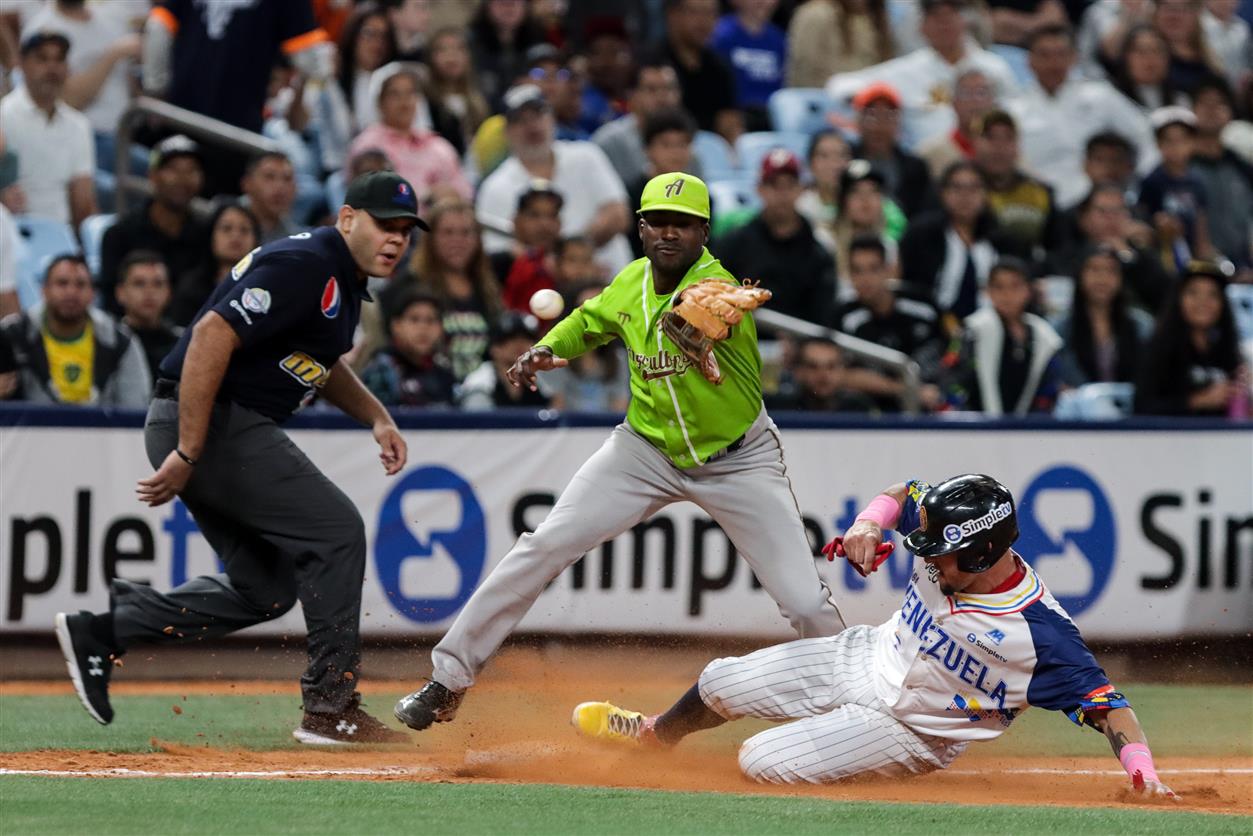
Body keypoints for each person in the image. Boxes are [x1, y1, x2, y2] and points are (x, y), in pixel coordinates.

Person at [392, 171, 847, 732]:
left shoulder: (716, 288)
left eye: (683, 224)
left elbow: (713, 314)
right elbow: (591, 321)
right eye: (658, 221)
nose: (669, 233)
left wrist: (713, 319)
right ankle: (448, 680)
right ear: (639, 228)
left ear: (705, 232)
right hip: (645, 449)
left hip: (738, 458)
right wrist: (548, 348)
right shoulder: (630, 283)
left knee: (805, 604)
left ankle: (854, 704)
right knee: (543, 545)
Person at [52, 171, 425, 744]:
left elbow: (317, 361)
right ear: (347, 218)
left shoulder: (339, 278)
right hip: (212, 420)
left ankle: (105, 630)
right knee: (337, 531)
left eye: (405, 230)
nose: (397, 240)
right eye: (385, 225)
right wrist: (188, 449)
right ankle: (330, 707)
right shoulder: (308, 264)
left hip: (212, 422)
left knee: (268, 587)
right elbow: (210, 336)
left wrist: (376, 415)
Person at [571, 473, 1179, 803]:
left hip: (910, 729)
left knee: (759, 761)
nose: (930, 558)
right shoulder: (949, 526)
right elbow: (901, 492)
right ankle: (654, 736)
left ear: (985, 550)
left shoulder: (1041, 636)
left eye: (942, 553)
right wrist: (868, 524)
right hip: (862, 656)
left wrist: (1143, 773)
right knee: (719, 679)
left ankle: (854, 777)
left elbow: (1110, 708)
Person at [143, 0, 333, 195]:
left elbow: (157, 29)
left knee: (174, 204)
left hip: (180, 118)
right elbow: (312, 60)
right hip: (237, 130)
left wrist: (156, 91)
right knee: (224, 213)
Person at [476, 83, 633, 275]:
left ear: (552, 119)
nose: (532, 126)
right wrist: (559, 266)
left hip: (614, 282)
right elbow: (497, 252)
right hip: (542, 295)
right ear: (507, 132)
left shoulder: (586, 155)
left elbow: (619, 215)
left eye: (538, 115)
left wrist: (575, 257)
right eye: (521, 120)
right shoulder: (495, 187)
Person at [826, 0, 1020, 150]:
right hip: (929, 164)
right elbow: (839, 85)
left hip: (987, 159)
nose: (944, 25)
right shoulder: (909, 70)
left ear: (963, 21)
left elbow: (1018, 116)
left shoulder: (994, 68)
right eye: (936, 18)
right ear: (922, 27)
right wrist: (858, 110)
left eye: (950, 16)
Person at [1005, 23, 1156, 210]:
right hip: (1038, 205)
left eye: (1061, 54)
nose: (1053, 63)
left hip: (1099, 205)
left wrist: (1139, 187)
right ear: (1029, 61)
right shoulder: (1013, 110)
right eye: (1044, 55)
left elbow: (1144, 135)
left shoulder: (1100, 95)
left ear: (1073, 58)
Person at [0, 254, 150, 407]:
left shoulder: (120, 342)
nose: (71, 292)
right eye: (62, 283)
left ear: (93, 293)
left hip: (102, 430)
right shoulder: (10, 336)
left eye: (80, 284)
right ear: (44, 290)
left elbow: (135, 410)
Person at [714, 149, 839, 328]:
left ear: (801, 189)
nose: (782, 194)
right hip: (740, 341)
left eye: (790, 185)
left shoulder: (818, 252)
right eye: (774, 185)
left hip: (801, 346)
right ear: (760, 189)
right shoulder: (734, 244)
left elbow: (824, 314)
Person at [390, 197, 502, 382]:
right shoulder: (408, 285)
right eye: (448, 233)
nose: (457, 241)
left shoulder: (489, 288)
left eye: (466, 233)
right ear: (430, 238)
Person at [22, 0, 140, 168]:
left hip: (128, 130)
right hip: (85, 136)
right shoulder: (43, 31)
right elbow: (67, 100)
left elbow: (130, 80)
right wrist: (112, 56)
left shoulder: (113, 18)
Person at [98, 135, 209, 315]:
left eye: (192, 170)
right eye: (173, 169)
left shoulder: (206, 235)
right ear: (153, 175)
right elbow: (110, 303)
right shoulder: (120, 235)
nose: (183, 178)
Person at [940, 258, 1065, 415]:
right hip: (975, 425)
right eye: (999, 287)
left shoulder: (1044, 336)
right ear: (989, 291)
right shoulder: (973, 330)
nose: (1007, 294)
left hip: (1029, 429)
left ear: (1028, 290)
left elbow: (1048, 387)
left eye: (1015, 286)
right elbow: (952, 377)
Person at [0, 30, 96, 226]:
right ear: (23, 64)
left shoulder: (78, 125)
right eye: (42, 59)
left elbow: (82, 200)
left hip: (63, 237)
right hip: (12, 231)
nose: (52, 68)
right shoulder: (3, 116)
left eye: (59, 59)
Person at [836, 235, 943, 410]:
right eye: (857, 270)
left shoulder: (924, 306)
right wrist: (907, 390)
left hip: (935, 405)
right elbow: (842, 374)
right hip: (871, 414)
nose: (865, 279)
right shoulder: (844, 316)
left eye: (873, 269)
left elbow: (949, 352)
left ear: (889, 270)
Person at [348, 63, 471, 208]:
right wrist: (425, 196)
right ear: (380, 102)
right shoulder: (367, 146)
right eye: (395, 94)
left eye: (410, 93)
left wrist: (450, 195)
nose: (404, 102)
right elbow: (365, 199)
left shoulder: (439, 147)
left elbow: (466, 194)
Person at [1134, 261, 1248, 416]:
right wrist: (1198, 401)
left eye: (1212, 295)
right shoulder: (1158, 349)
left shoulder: (1229, 351)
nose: (1203, 302)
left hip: (1220, 437)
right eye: (1193, 293)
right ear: (1178, 300)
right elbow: (1142, 406)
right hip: (1171, 436)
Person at [899, 161, 1006, 321]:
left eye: (973, 189)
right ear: (943, 193)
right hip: (929, 322)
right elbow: (908, 285)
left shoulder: (1000, 240)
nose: (965, 197)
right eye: (957, 188)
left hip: (988, 323)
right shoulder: (921, 234)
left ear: (986, 194)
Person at [1054, 182, 1170, 314]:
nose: (1110, 218)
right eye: (1102, 211)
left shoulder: (1141, 257)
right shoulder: (1068, 255)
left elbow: (1165, 294)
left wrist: (1127, 255)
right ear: (1084, 218)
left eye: (1117, 211)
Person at [973, 109, 1064, 267]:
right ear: (976, 143)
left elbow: (1057, 249)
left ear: (1017, 146)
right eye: (990, 137)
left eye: (1007, 138)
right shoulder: (960, 188)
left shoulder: (1041, 193)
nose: (999, 147)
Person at [1053, 244, 1154, 387]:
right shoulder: (1060, 328)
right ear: (1080, 275)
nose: (1102, 278)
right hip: (1079, 406)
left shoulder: (1142, 325)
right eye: (1094, 269)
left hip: (1132, 405)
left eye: (1111, 271)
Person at [651, 0, 743, 144]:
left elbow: (729, 119)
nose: (703, 21)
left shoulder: (720, 67)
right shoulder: (653, 65)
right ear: (672, 15)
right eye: (695, 12)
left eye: (710, 13)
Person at [1138, 106, 1215, 273]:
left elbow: (1201, 224)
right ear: (1158, 144)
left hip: (1190, 256)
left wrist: (1205, 255)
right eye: (1169, 141)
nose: (1176, 147)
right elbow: (1142, 219)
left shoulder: (1197, 182)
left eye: (1182, 140)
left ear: (1193, 143)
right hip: (1161, 259)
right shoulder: (1152, 181)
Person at [592, 58, 686, 189]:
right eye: (652, 89)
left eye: (669, 88)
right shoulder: (609, 142)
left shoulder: (692, 141)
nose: (662, 97)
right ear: (633, 95)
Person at [1189, 75, 1252, 271]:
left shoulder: (1242, 166)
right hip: (1196, 268)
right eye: (1205, 104)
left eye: (1220, 104)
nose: (1212, 110)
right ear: (1192, 110)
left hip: (1242, 268)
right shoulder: (1181, 166)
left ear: (1231, 112)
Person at [847, 82, 935, 220]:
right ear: (858, 120)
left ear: (898, 122)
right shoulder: (845, 160)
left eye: (888, 116)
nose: (879, 126)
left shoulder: (915, 168)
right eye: (872, 115)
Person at [543, 281, 632, 413]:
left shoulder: (622, 359)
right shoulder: (553, 360)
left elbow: (620, 409)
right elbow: (556, 409)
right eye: (585, 311)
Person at [168, 202, 261, 328]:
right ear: (211, 236)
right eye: (226, 228)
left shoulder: (264, 285)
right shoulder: (190, 288)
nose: (235, 236)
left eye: (244, 230)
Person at [360, 290, 456, 407]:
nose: (423, 328)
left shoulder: (444, 372)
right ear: (396, 326)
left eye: (431, 320)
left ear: (441, 328)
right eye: (414, 319)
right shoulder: (381, 370)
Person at [626, 108, 699, 258]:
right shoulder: (631, 194)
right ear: (647, 149)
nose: (675, 153)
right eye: (666, 145)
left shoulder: (700, 195)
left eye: (682, 145)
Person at [711, 0, 787, 131]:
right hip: (736, 115)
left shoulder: (779, 39)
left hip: (771, 117)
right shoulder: (720, 34)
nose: (763, 2)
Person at [457, 310, 553, 410]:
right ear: (494, 348)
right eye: (511, 339)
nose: (520, 345)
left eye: (527, 339)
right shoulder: (480, 383)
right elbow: (478, 422)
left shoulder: (543, 383)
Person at [786, 0, 895, 87]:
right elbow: (804, 75)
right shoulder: (816, 13)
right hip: (825, 103)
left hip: (872, 104)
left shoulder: (879, 18)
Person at [114, 250, 182, 381]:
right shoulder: (109, 343)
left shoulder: (184, 343)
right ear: (120, 292)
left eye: (158, 284)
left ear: (169, 292)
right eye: (139, 283)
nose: (149, 292)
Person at [496, 179, 562, 314]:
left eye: (552, 215)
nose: (544, 224)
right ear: (516, 221)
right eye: (534, 215)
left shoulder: (569, 265)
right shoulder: (496, 265)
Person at [918, 69, 998, 181]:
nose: (974, 100)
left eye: (981, 93)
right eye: (965, 93)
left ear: (993, 102)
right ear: (954, 103)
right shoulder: (928, 154)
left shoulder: (1006, 153)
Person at [466, 0, 546, 110]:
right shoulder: (470, 44)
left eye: (515, 2)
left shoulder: (539, 42)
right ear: (487, 6)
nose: (509, 7)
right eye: (502, 2)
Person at [765, 337, 876, 412]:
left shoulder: (858, 408)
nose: (823, 375)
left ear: (842, 370)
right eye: (813, 367)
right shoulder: (779, 410)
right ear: (798, 372)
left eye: (831, 366)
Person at [335, 2, 398, 131]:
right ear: (353, 35)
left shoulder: (397, 80)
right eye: (370, 34)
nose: (377, 43)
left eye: (384, 36)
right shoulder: (335, 79)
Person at [425, 26, 490, 144]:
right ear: (431, 58)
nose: (451, 56)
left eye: (459, 49)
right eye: (443, 50)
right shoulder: (425, 101)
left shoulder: (478, 101)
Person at [795, 129, 853, 257]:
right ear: (810, 164)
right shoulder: (800, 207)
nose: (834, 164)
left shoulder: (865, 204)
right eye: (824, 156)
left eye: (841, 155)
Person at [1109, 24, 1188, 113]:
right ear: (1126, 57)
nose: (1150, 58)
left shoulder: (1180, 102)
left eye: (1157, 51)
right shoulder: (1110, 98)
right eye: (1141, 51)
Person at [239, 151, 300, 245]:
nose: (280, 186)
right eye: (269, 177)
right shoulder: (219, 219)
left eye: (287, 179)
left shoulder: (295, 241)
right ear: (247, 183)